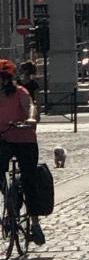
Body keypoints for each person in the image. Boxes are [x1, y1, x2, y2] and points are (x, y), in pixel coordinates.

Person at [0, 60, 45, 245]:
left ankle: (35, 224)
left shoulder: (20, 92)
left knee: (29, 180)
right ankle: (10, 199)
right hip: (3, 139)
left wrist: (31, 119)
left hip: (24, 139)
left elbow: (31, 106)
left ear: (8, 79)